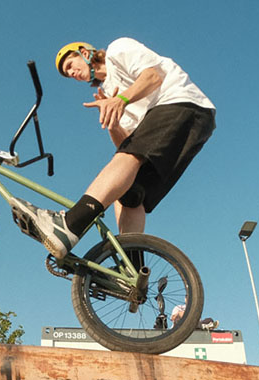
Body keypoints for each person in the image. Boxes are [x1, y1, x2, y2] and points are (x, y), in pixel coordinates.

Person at [11, 38, 215, 260]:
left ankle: (70, 225)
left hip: (182, 103)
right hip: (184, 127)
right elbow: (129, 144)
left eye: (70, 65)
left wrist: (121, 100)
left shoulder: (118, 49)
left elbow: (153, 77)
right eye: (67, 73)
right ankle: (132, 265)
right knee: (129, 194)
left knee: (128, 158)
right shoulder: (108, 91)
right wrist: (114, 124)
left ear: (85, 53)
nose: (71, 73)